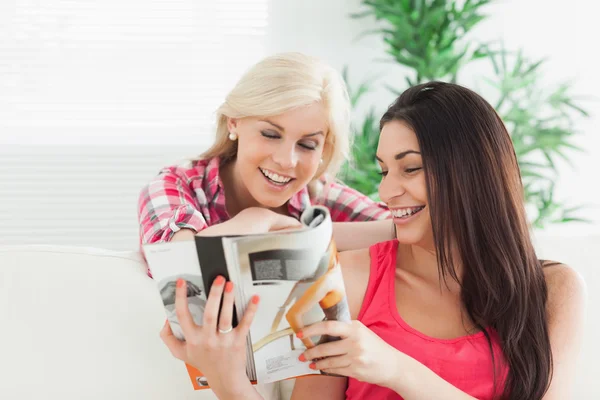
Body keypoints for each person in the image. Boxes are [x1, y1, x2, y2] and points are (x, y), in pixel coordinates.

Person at [160, 82, 586, 400]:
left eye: (410, 169)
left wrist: (396, 369)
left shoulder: (553, 290)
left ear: (471, 173)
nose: (386, 193)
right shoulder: (344, 279)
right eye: (384, 171)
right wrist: (227, 378)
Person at [137, 52, 394, 274]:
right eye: (270, 135)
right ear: (234, 122)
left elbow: (413, 231)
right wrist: (256, 220)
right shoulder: (175, 185)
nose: (286, 161)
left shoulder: (317, 193)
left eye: (307, 145)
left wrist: (298, 234)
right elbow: (176, 263)